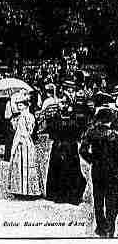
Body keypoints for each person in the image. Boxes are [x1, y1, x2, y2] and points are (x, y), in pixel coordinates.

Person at [80, 108, 118, 237]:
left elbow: (83, 150)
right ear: (110, 120)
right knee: (112, 200)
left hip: (97, 169)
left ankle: (100, 227)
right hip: (113, 171)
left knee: (98, 199)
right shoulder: (115, 135)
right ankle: (110, 227)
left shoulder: (91, 132)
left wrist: (92, 160)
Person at [45, 96, 87, 205]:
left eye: (65, 103)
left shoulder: (74, 116)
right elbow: (51, 131)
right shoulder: (55, 116)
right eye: (61, 102)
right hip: (59, 146)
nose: (63, 105)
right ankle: (57, 194)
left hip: (69, 147)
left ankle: (71, 195)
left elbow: (78, 130)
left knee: (71, 169)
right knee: (57, 169)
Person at [7, 92, 43, 198]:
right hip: (21, 142)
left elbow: (30, 130)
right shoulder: (20, 117)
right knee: (19, 164)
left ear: (26, 105)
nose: (18, 106)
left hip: (25, 142)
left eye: (21, 105)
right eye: (18, 104)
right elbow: (16, 130)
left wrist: (23, 131)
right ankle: (20, 189)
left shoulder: (28, 116)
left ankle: (29, 190)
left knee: (27, 163)